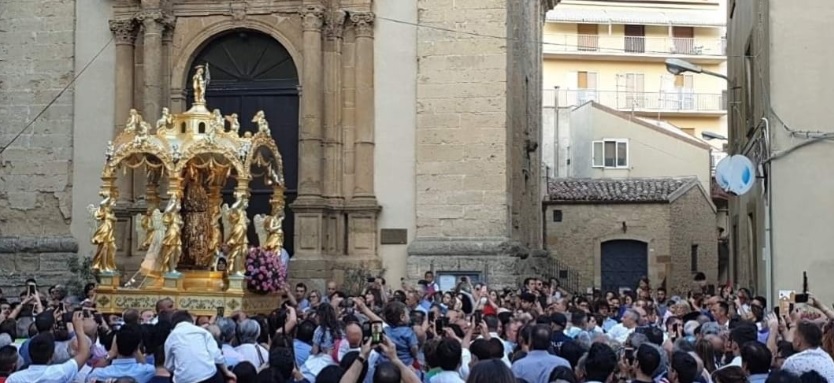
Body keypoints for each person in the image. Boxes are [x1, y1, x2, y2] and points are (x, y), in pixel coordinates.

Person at [7, 312, 90, 383]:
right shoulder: (60, 372)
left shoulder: (14, 378)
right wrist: (79, 329)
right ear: (52, 355)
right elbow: (84, 353)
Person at [164, 310, 235, 383]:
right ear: (192, 322)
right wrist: (227, 372)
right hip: (209, 377)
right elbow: (217, 355)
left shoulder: (170, 338)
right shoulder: (202, 331)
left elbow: (169, 366)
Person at [86, 323, 155, 383]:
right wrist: (136, 349)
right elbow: (145, 365)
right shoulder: (149, 371)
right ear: (137, 347)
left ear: (115, 346)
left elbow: (88, 378)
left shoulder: (98, 374)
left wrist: (111, 353)